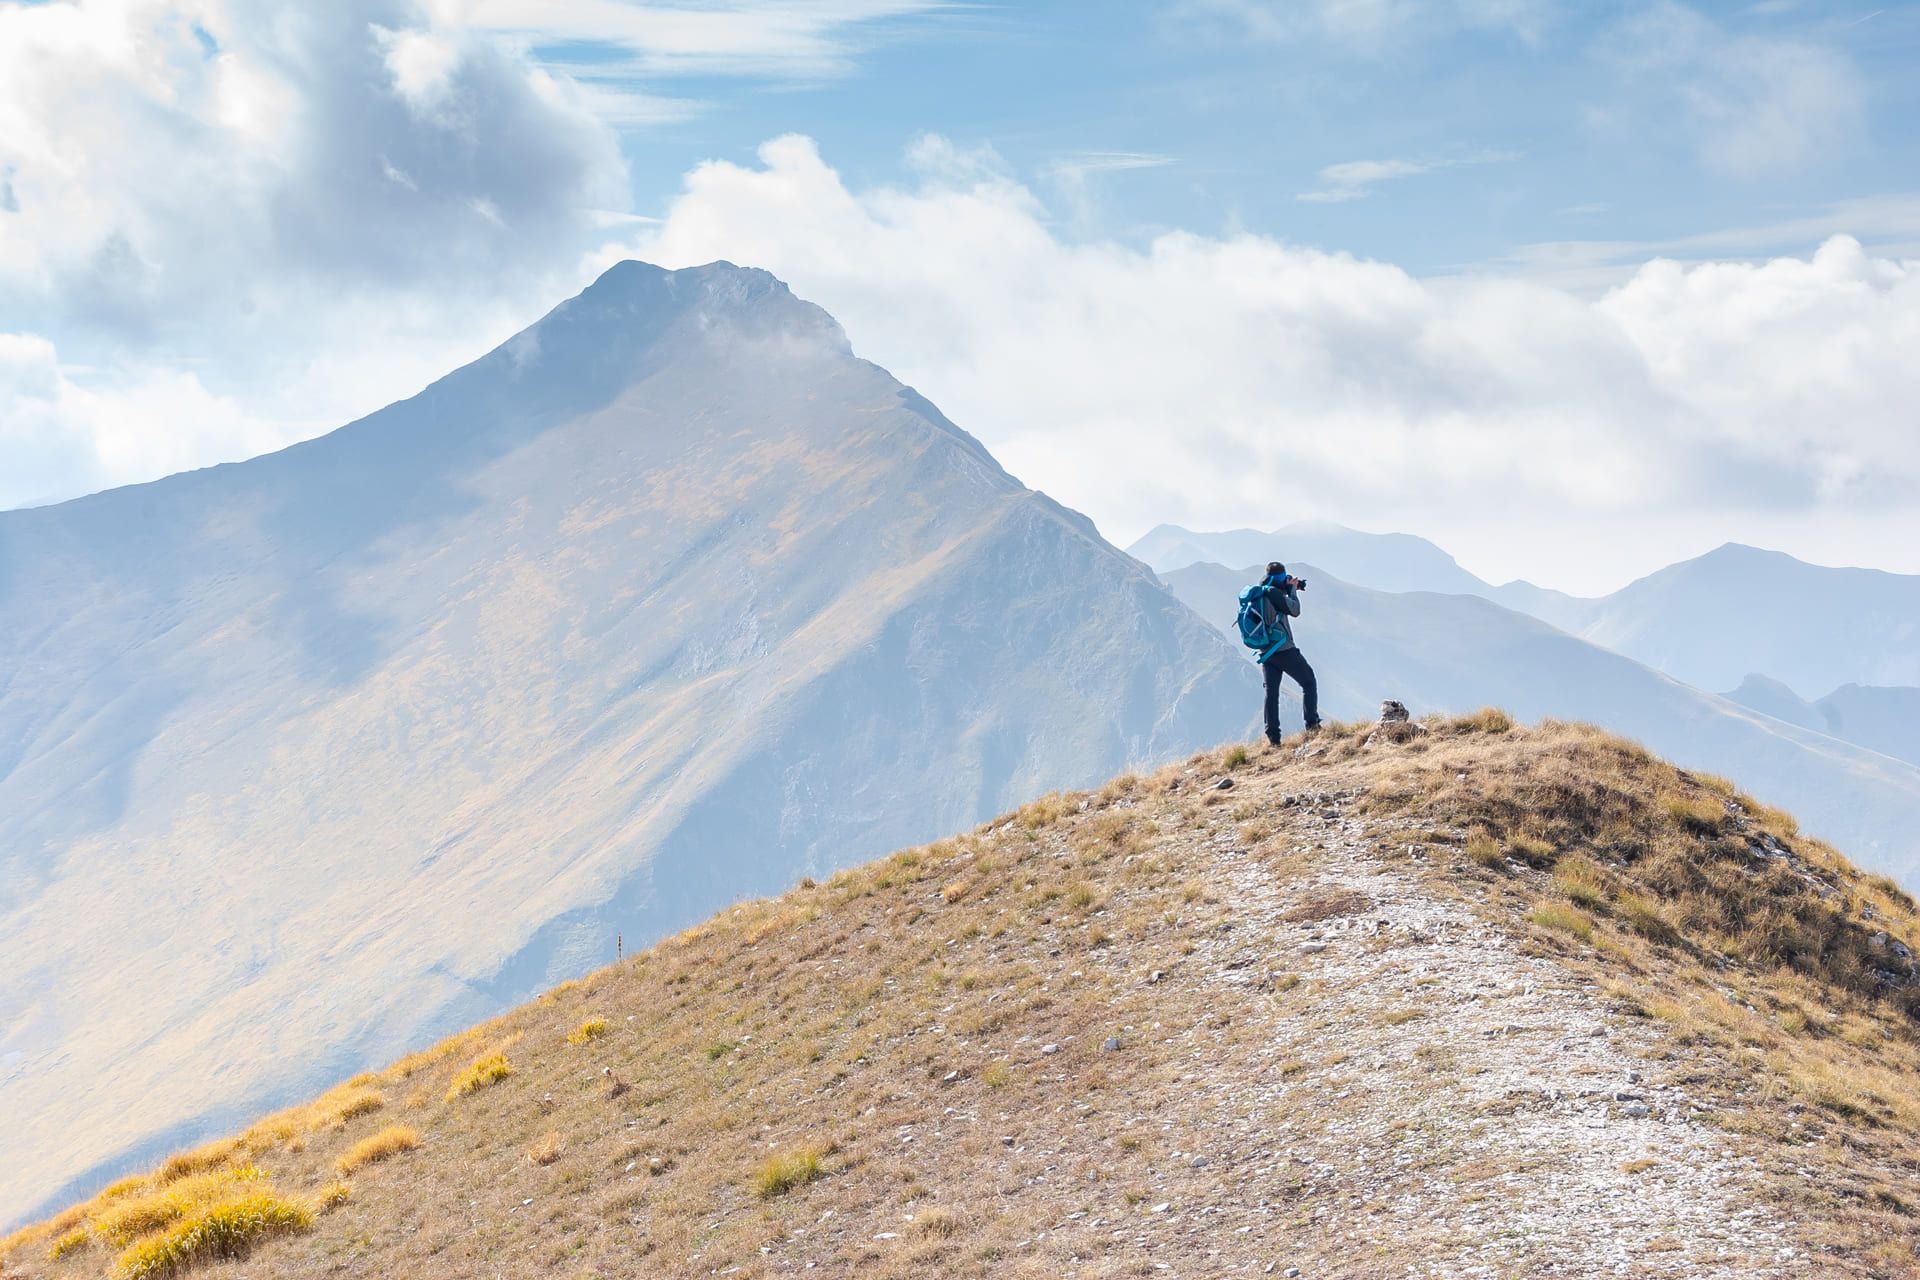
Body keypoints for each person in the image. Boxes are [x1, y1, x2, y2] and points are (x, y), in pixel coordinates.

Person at [1256, 561, 1320, 745]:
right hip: (1283, 649)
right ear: (1281, 578)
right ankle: (1312, 725)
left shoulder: (1261, 591)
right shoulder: (1274, 593)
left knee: (1272, 694)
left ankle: (1273, 738)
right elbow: (1295, 610)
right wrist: (1292, 590)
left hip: (1266, 651)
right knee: (1309, 681)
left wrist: (1290, 588)